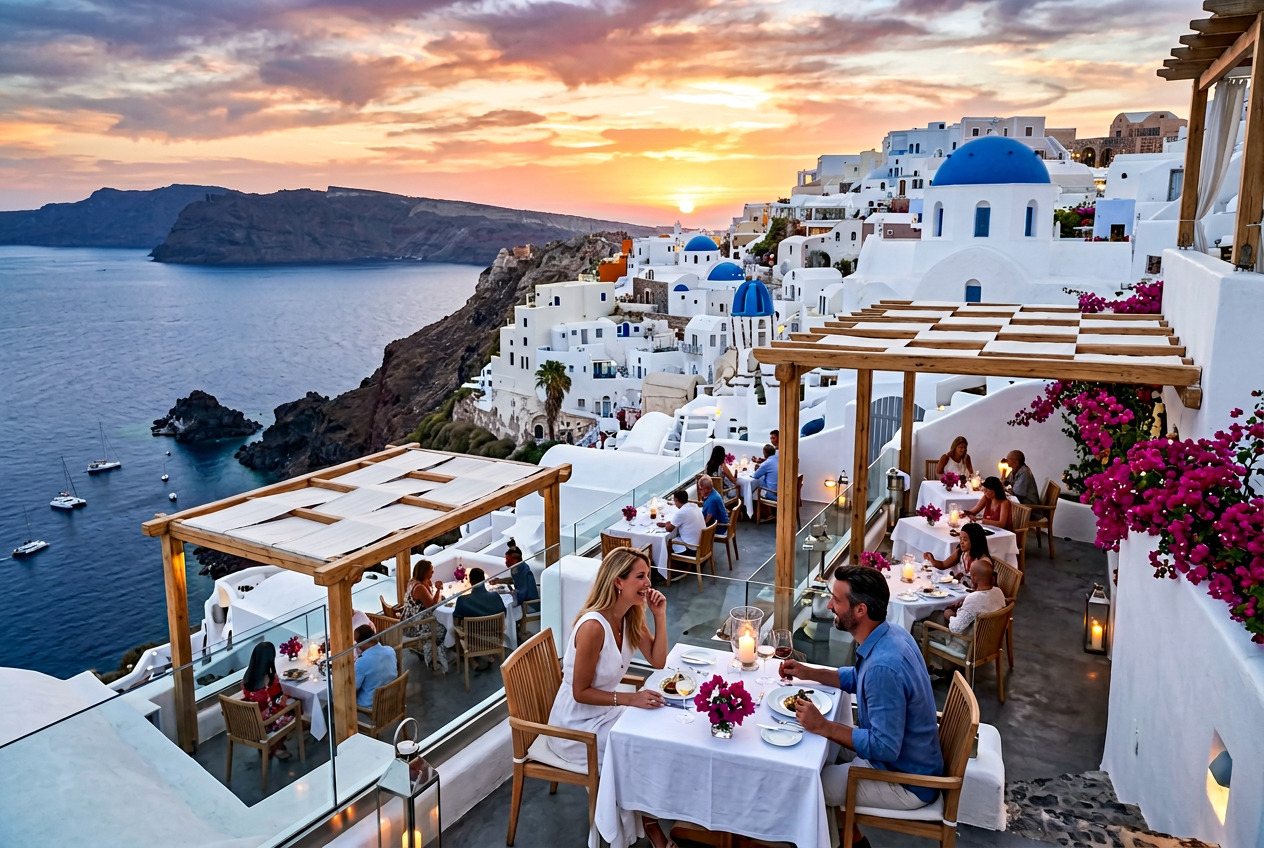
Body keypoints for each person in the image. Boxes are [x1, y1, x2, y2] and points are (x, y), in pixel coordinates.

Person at [779, 566, 943, 846]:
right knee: (816, 751)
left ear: (860, 610)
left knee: (808, 785)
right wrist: (809, 672)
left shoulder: (883, 666)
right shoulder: (891, 635)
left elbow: (884, 746)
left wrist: (825, 726)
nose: (829, 605)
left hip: (906, 781)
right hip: (909, 760)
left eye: (837, 600)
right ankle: (849, 839)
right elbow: (858, 678)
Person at [545, 548, 676, 848]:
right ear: (618, 582)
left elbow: (658, 661)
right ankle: (648, 827)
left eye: (648, 576)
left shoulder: (630, 615)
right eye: (640, 577)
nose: (647, 583)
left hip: (605, 712)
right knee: (637, 747)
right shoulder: (593, 627)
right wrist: (630, 700)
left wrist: (660, 616)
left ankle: (648, 820)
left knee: (652, 730)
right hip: (575, 725)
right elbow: (580, 692)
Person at [922, 556, 1007, 673]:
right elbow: (980, 606)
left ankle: (944, 670)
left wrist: (949, 614)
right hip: (989, 644)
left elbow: (955, 628)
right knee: (937, 616)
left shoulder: (974, 599)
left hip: (968, 647)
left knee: (929, 622)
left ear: (974, 578)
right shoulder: (998, 592)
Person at [241, 641, 297, 759]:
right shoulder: (268, 680)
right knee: (296, 707)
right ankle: (278, 745)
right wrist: (286, 698)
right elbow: (275, 700)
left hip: (251, 722)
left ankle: (275, 746)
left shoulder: (247, 677)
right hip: (266, 724)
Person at [452, 568, 508, 671]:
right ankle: (490, 654)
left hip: (473, 643)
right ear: (484, 580)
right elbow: (505, 614)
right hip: (494, 640)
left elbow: (456, 621)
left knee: (456, 630)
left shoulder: (462, 601)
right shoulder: (495, 596)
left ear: (470, 581)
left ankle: (472, 659)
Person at [400, 559, 448, 672]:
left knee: (442, 622)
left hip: (409, 618)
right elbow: (432, 606)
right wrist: (438, 590)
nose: (433, 573)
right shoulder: (420, 588)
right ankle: (433, 657)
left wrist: (430, 586)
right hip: (415, 625)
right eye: (431, 571)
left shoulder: (413, 581)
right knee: (443, 629)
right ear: (424, 572)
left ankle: (432, 653)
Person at [922, 521, 993, 582]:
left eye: (965, 540)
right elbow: (943, 565)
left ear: (975, 541)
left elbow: (982, 586)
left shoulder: (982, 562)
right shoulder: (961, 552)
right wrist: (932, 559)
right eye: (960, 539)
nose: (961, 542)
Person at [354, 624, 398, 709]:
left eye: (356, 642)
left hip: (372, 704)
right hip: (392, 698)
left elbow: (353, 687)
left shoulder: (362, 662)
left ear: (362, 643)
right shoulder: (390, 650)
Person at [658, 488, 705, 557]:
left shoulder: (682, 512)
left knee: (668, 543)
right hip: (703, 545)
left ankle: (669, 564)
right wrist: (667, 524)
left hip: (693, 549)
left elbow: (669, 529)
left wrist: (667, 525)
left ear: (676, 500)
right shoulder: (694, 506)